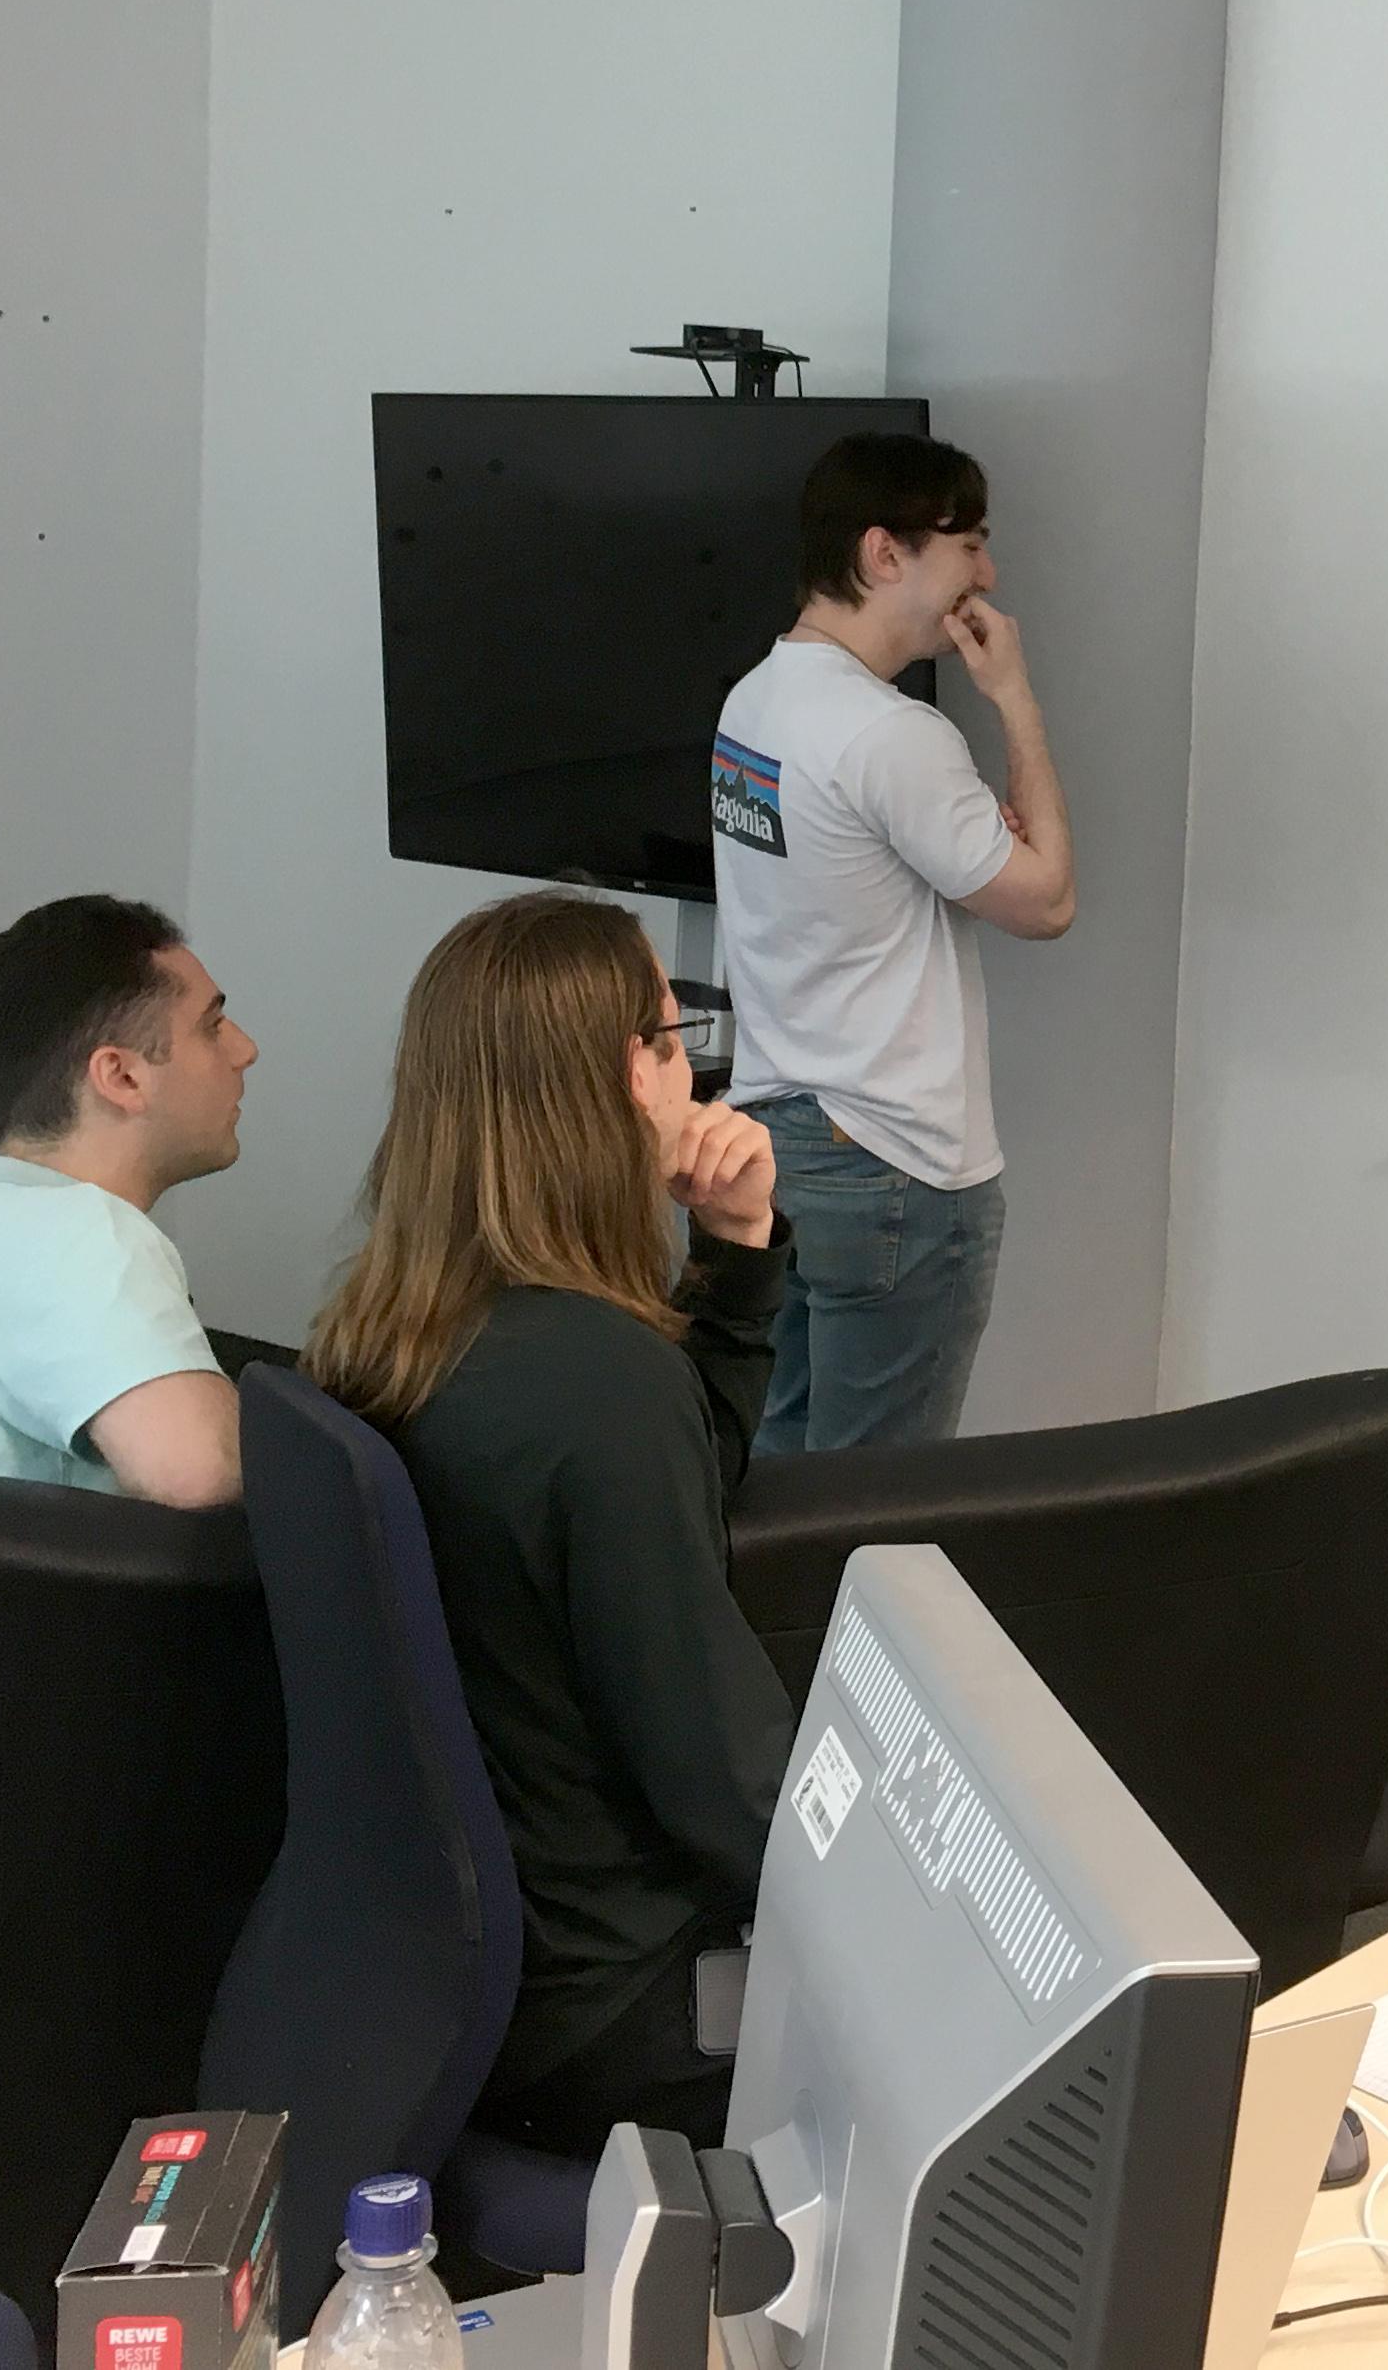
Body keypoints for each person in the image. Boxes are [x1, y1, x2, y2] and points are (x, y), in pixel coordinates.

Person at [303, 890, 795, 2155]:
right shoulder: (594, 1382)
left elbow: (670, 1472)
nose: (694, 1065)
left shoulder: (396, 1326)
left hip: (470, 1976)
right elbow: (728, 1786)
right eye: (677, 1033)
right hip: (620, 2013)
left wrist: (734, 1252)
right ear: (632, 1074)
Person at [710, 430, 1076, 1451]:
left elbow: (852, 890)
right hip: (897, 1170)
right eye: (969, 544)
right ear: (885, 554)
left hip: (782, 1141)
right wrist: (1012, 698)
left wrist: (956, 854)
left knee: (778, 1468)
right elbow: (1046, 904)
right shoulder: (895, 737)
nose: (987, 575)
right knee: (879, 1503)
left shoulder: (755, 700)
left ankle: (769, 1618)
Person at [0, 894, 255, 1506]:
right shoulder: (80, 1233)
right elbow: (199, 1473)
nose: (245, 1050)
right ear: (122, 1077)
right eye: (212, 1028)